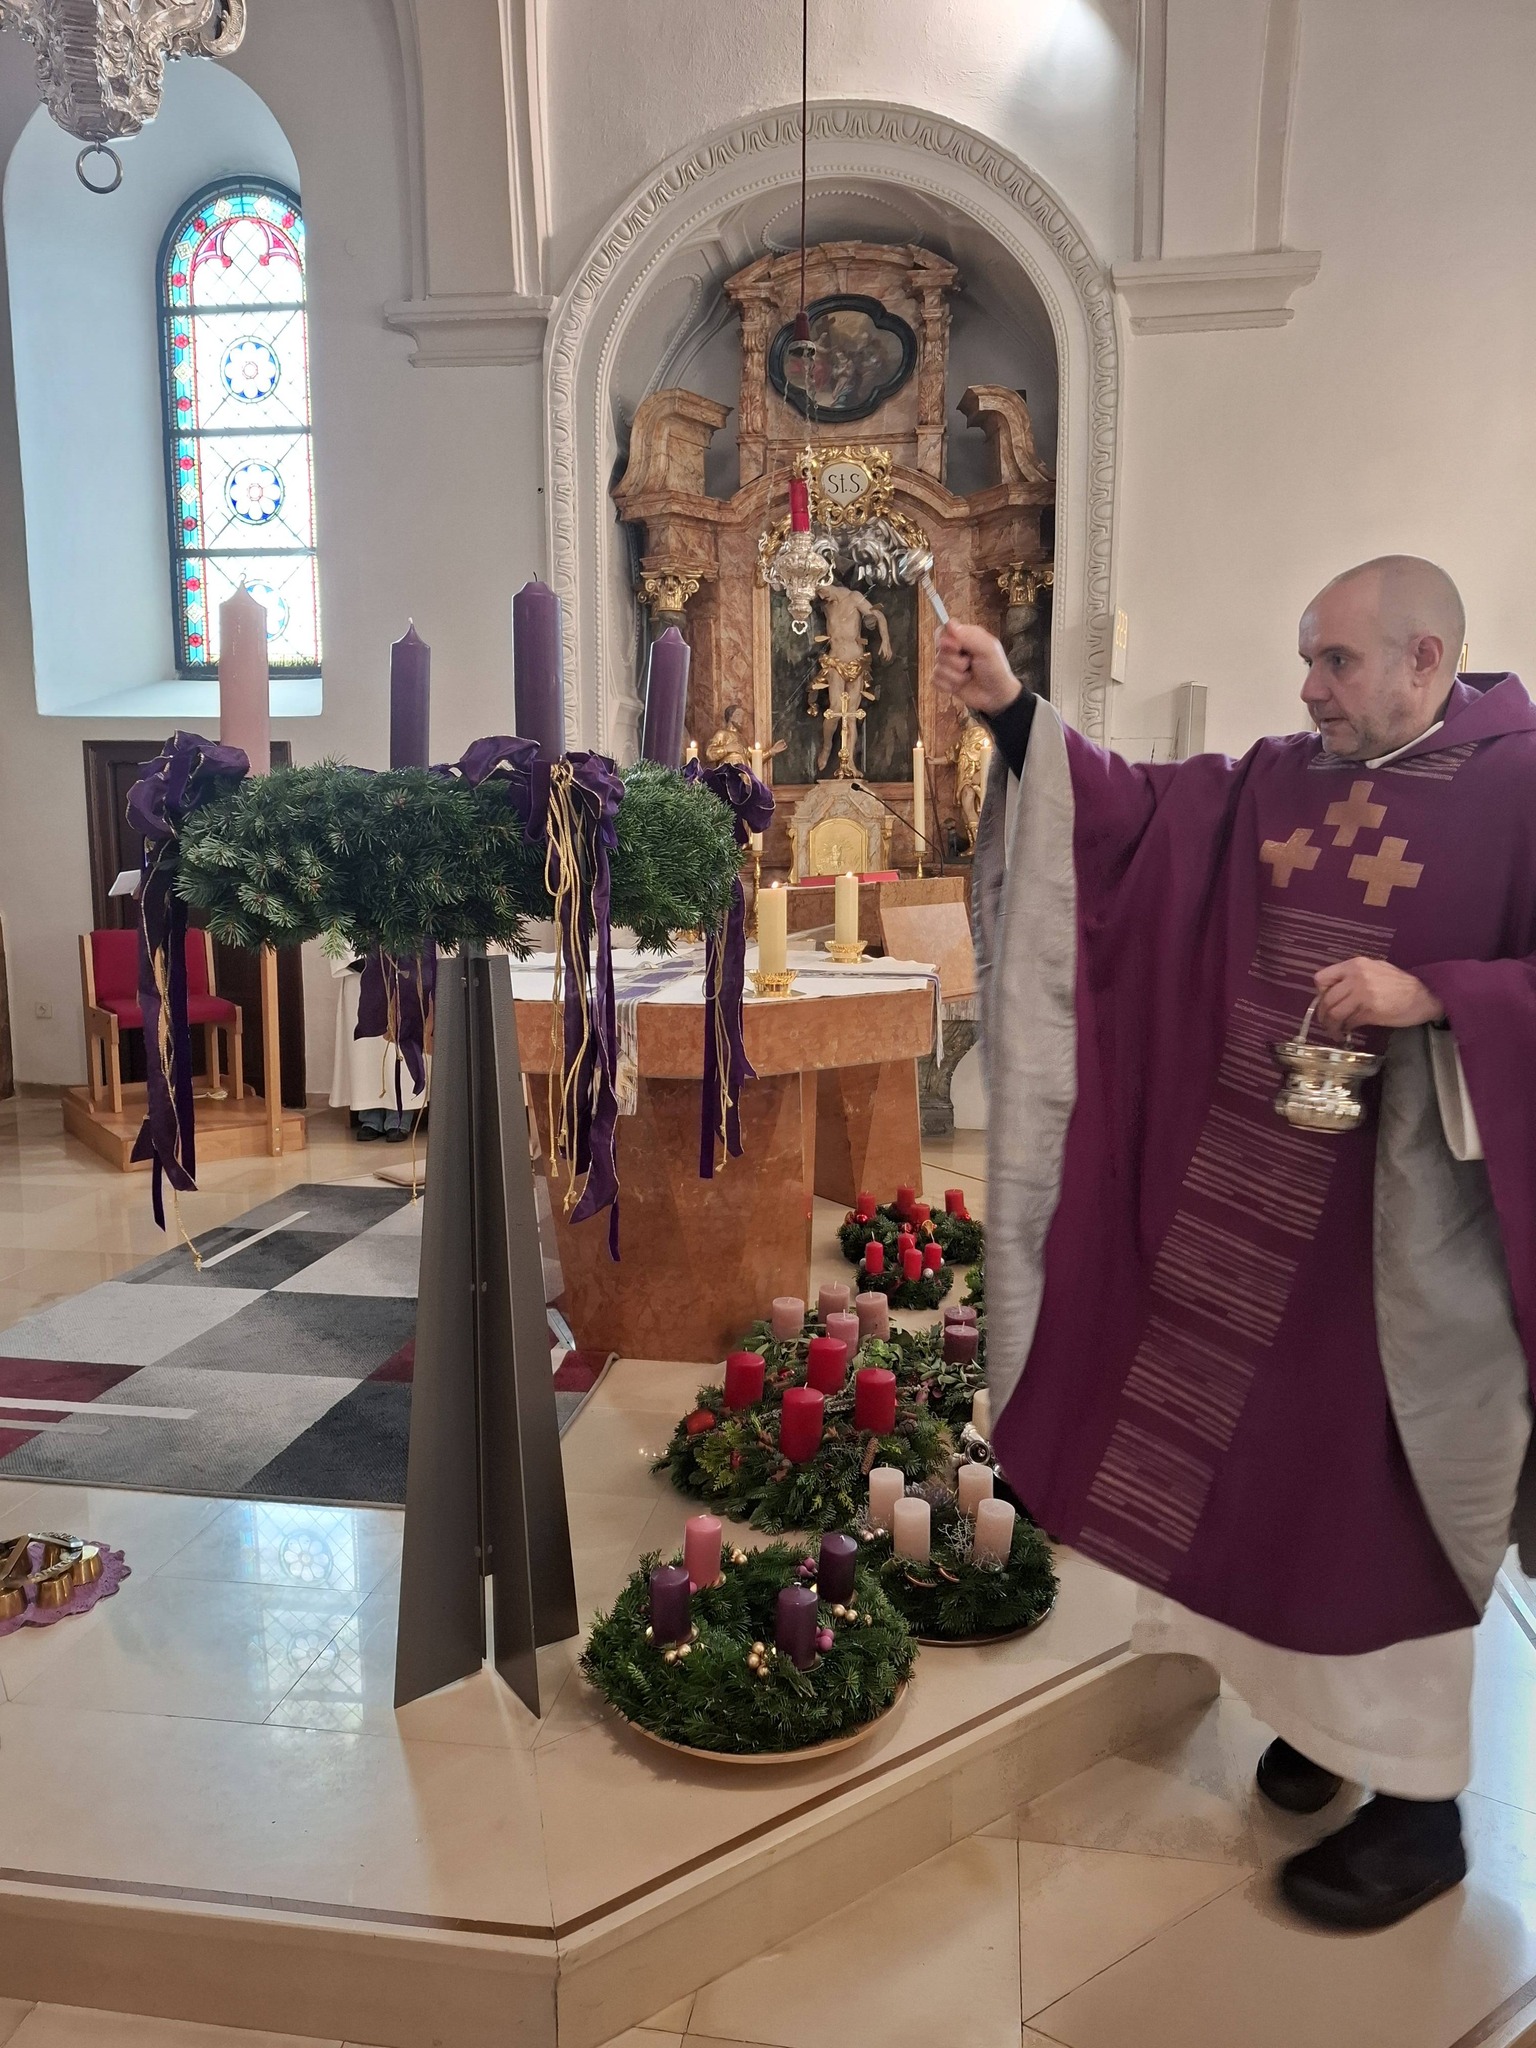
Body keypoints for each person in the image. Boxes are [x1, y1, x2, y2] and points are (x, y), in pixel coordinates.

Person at [935, 556, 1536, 1931]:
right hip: (1249, 1213)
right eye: (1306, 658)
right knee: (1264, 1478)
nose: (1306, 688)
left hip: (1405, 1253)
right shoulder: (1283, 776)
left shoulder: (1520, 788)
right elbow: (1133, 820)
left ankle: (1422, 1811)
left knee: (1376, 1498)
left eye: (1335, 662)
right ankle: (1323, 1729)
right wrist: (1014, 709)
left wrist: (1437, 994)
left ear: (1426, 658)